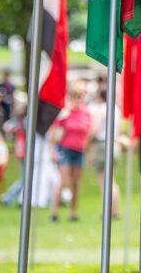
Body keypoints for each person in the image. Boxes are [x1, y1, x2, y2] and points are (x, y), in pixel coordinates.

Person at [49, 84, 92, 223]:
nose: (78, 100)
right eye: (75, 97)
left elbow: (88, 132)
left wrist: (88, 148)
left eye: (80, 97)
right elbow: (53, 131)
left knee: (75, 183)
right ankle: (54, 211)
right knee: (64, 180)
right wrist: (52, 150)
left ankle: (73, 212)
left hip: (79, 150)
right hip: (66, 149)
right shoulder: (65, 112)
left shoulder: (86, 113)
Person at [89, 88, 125, 220]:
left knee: (104, 181)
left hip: (102, 145)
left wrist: (87, 143)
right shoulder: (116, 109)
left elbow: (95, 129)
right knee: (112, 180)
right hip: (115, 145)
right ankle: (115, 210)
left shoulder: (102, 109)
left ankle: (108, 211)